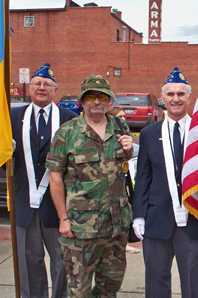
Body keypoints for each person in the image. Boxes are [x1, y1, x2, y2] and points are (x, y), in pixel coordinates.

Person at [46, 74, 134, 296]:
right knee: (78, 290)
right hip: (80, 229)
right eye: (91, 96)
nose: (97, 101)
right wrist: (63, 218)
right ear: (82, 101)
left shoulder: (120, 126)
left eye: (102, 96)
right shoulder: (67, 132)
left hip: (115, 227)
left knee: (110, 287)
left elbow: (124, 167)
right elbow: (55, 177)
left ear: (109, 101)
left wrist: (130, 151)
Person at [132, 67, 198, 298]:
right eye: (171, 94)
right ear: (162, 98)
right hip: (157, 219)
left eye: (181, 94)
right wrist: (139, 215)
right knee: (156, 284)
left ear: (189, 97)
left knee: (193, 285)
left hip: (194, 220)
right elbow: (143, 177)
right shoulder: (148, 133)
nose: (176, 99)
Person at [10, 62, 77, 298]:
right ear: (30, 87)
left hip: (58, 205)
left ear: (55, 90)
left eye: (47, 84)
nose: (41, 88)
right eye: (37, 83)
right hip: (24, 201)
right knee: (29, 262)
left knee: (62, 262)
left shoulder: (71, 119)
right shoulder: (12, 116)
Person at [106, 106, 140, 255]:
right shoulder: (107, 135)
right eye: (120, 117)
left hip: (125, 177)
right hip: (110, 182)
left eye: (125, 117)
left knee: (126, 209)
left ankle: (124, 242)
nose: (123, 120)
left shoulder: (126, 134)